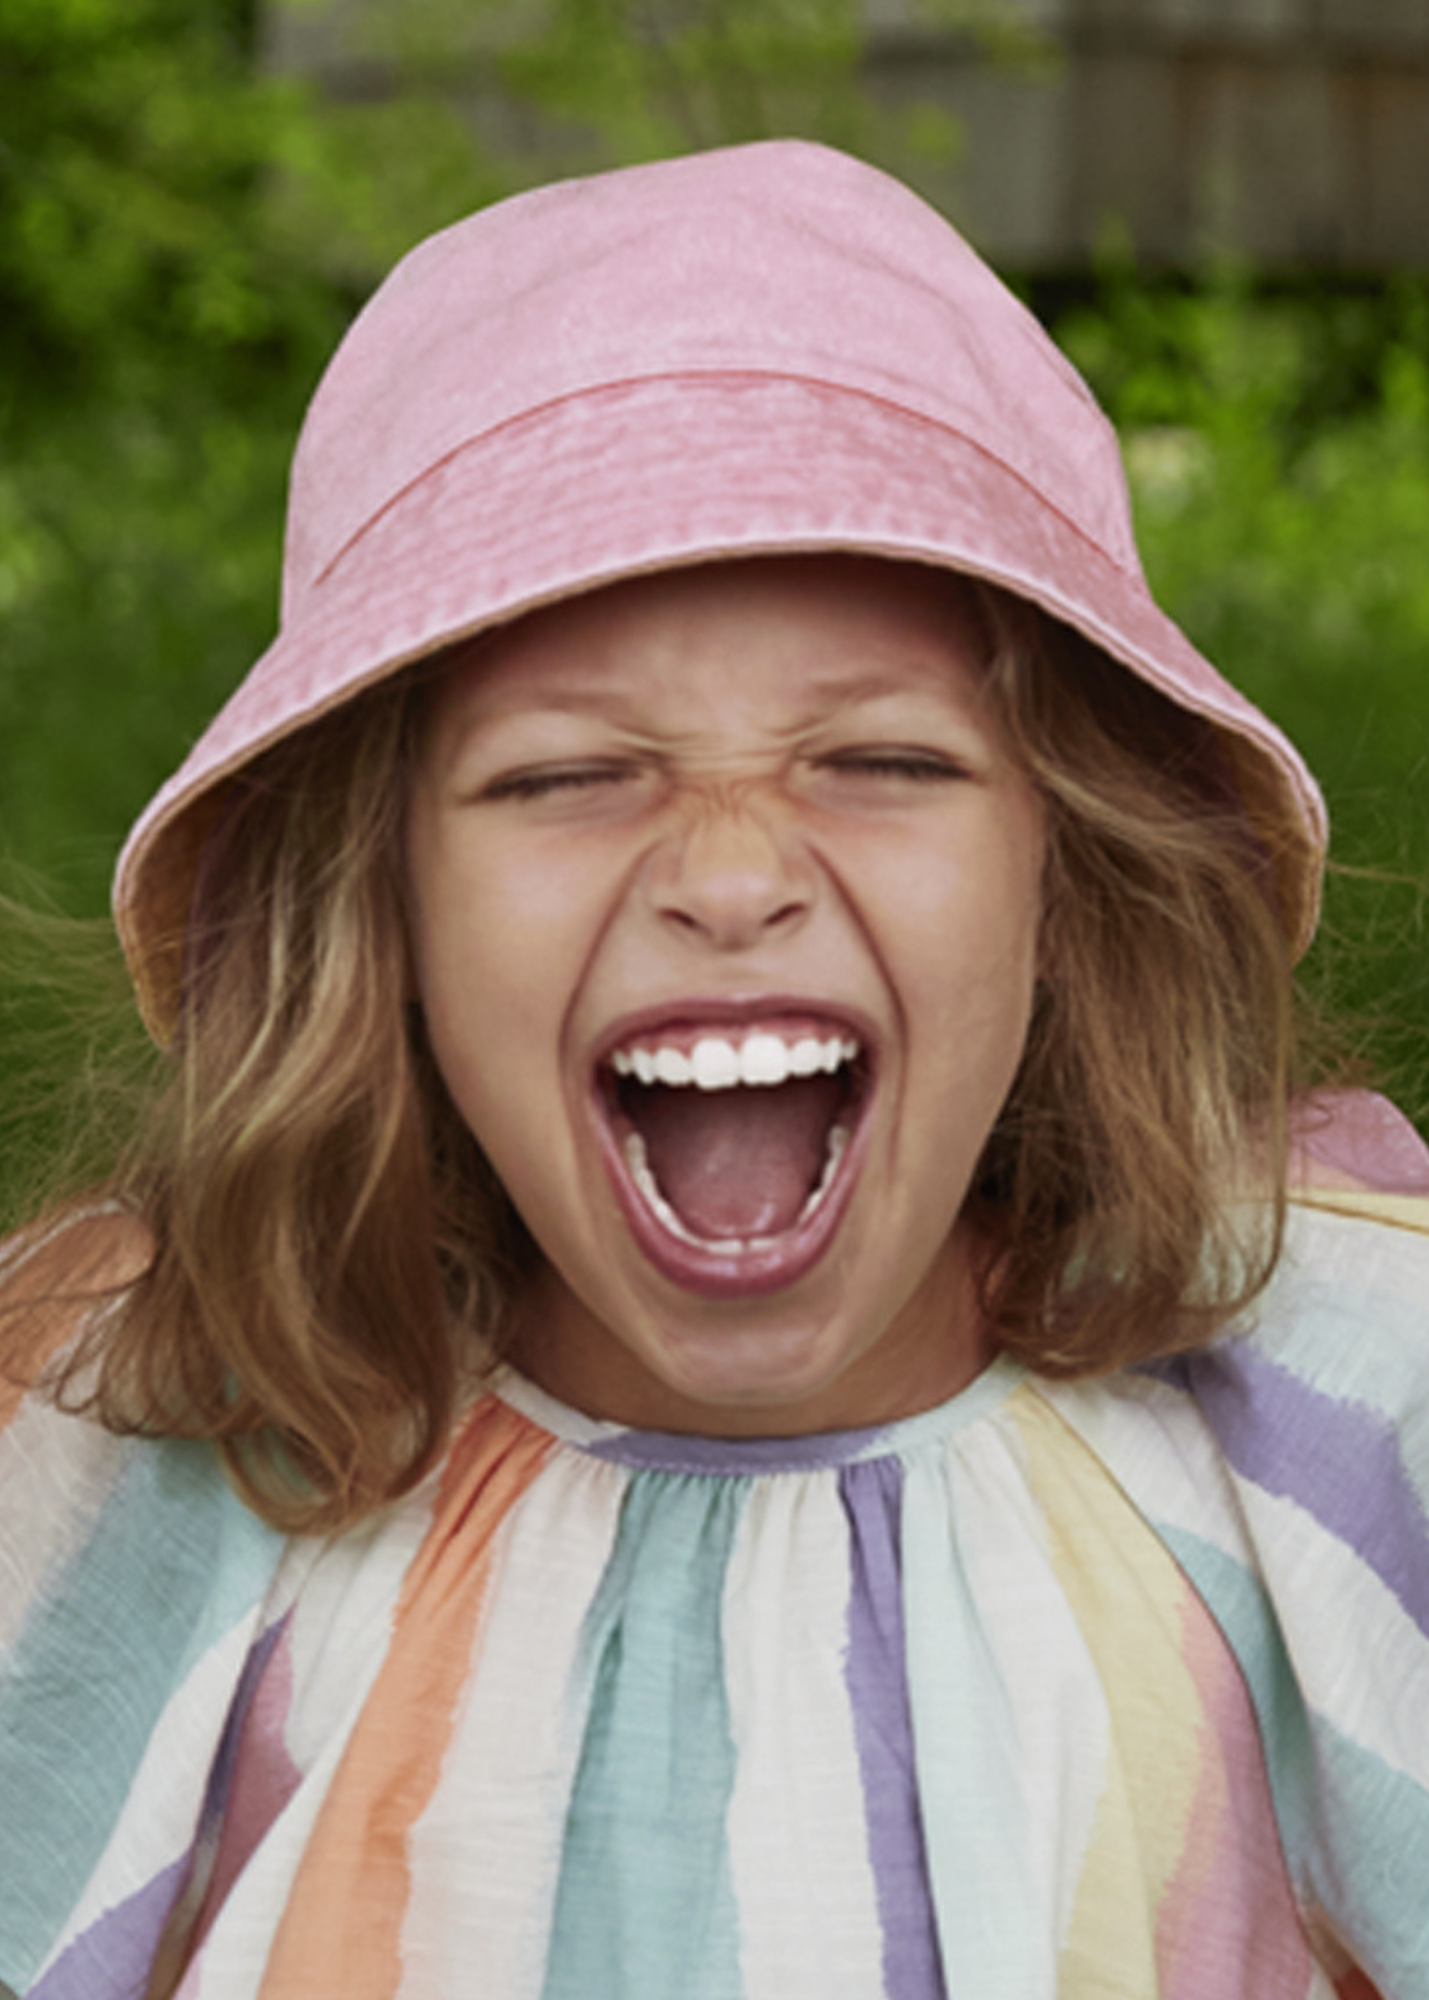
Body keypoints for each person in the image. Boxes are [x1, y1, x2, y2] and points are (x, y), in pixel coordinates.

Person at [1, 139, 1426, 2000]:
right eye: (568, 776)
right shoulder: (143, 1438)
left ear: (1069, 878)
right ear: (389, 919)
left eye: (885, 762)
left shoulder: (1342, 1408)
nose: (732, 874)